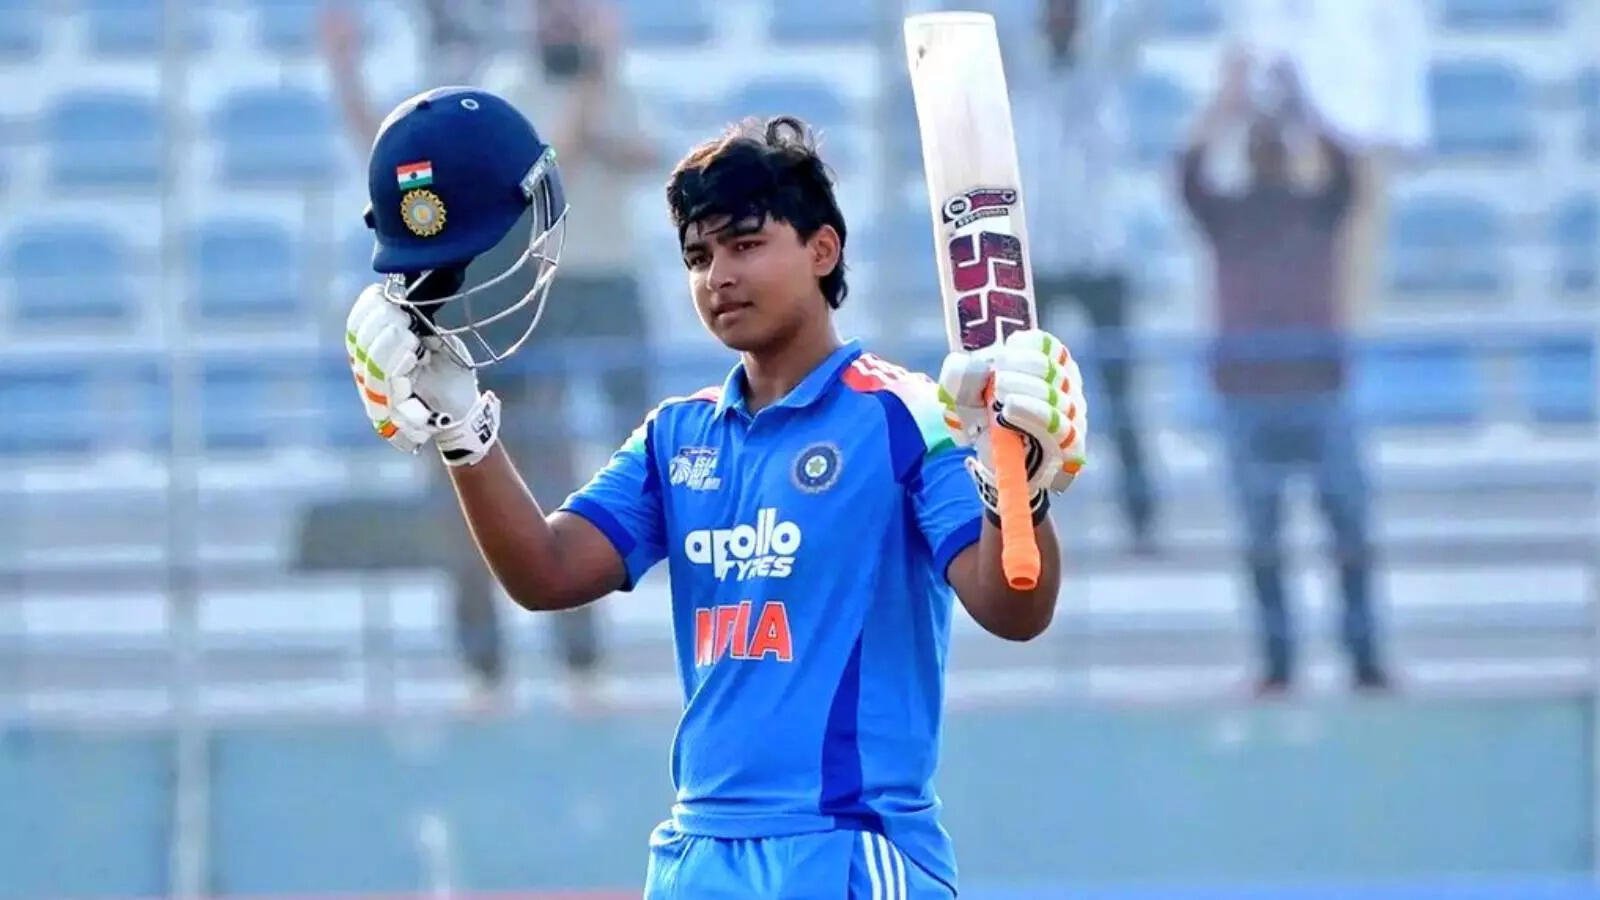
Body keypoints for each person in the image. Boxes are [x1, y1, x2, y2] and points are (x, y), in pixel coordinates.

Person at [343, 88, 1088, 897]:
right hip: (697, 856)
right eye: (698, 257)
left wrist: (1020, 493)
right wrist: (463, 433)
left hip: (849, 849)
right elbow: (545, 574)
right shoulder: (676, 436)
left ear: (823, 250)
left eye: (745, 244)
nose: (719, 277)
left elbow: (1014, 610)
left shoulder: (905, 415)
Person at [1178, 56, 1389, 695]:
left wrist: (1306, 106)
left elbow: (1349, 172)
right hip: (1249, 395)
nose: (1269, 154)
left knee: (1350, 534)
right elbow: (1186, 172)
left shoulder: (1316, 207)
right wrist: (1227, 106)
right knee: (1262, 542)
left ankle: (1365, 660)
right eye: (1260, 144)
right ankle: (1278, 665)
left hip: (1318, 389)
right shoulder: (1228, 215)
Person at [1010, 0, 1159, 554]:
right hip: (1040, 259)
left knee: (1121, 393)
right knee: (1023, 398)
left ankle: (1141, 517)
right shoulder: (1021, 71)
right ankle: (1019, 513)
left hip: (1099, 254)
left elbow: (1133, 19)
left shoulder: (1104, 67)